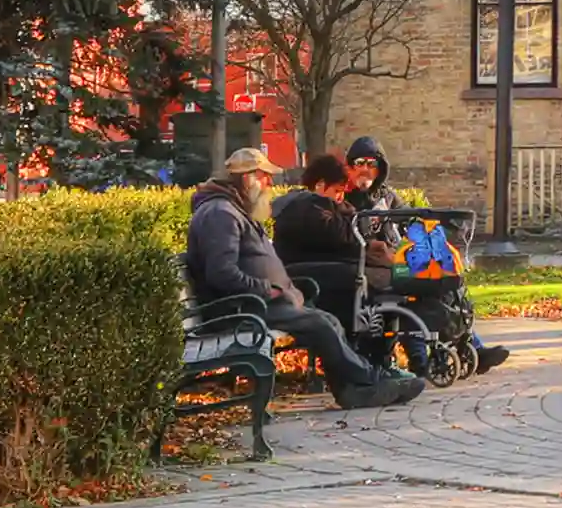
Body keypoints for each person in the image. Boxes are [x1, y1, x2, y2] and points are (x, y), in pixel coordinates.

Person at [186, 147, 419, 410]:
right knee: (319, 323)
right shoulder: (219, 214)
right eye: (265, 177)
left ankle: (353, 387)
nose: (270, 183)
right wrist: (267, 289)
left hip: (262, 302)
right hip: (244, 308)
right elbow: (221, 273)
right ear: (247, 178)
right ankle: (368, 382)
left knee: (327, 320)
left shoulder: (234, 210)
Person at [341, 134, 509, 372]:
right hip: (369, 265)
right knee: (416, 289)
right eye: (359, 163)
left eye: (372, 164)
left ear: (380, 169)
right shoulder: (345, 200)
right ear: (350, 167)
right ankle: (419, 355)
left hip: (397, 260)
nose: (365, 170)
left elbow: (412, 218)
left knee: (449, 282)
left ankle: (471, 345)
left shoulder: (387, 197)